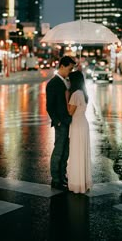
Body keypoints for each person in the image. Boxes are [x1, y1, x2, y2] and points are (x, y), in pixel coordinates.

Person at [46, 56, 76, 190]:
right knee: (58, 151)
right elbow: (49, 106)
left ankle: (62, 176)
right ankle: (56, 179)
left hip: (68, 121)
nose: (70, 71)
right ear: (62, 66)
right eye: (69, 68)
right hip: (60, 122)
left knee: (65, 151)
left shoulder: (66, 82)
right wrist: (57, 121)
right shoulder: (53, 83)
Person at [66, 70, 92, 194]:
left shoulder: (75, 94)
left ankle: (77, 183)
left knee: (76, 153)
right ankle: (83, 182)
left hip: (77, 125)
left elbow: (70, 112)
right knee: (82, 153)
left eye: (70, 80)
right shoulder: (83, 93)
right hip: (83, 124)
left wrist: (66, 97)